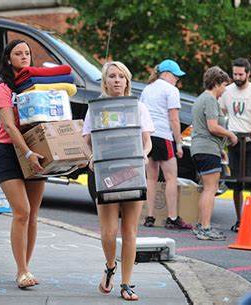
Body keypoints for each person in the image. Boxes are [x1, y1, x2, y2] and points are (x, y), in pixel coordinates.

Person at [83, 61, 154, 301]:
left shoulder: (138, 107)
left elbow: (148, 141)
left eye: (120, 76)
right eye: (112, 76)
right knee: (109, 232)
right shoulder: (96, 108)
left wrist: (144, 154)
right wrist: (90, 157)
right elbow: (86, 140)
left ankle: (126, 284)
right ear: (105, 81)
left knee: (130, 232)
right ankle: (110, 267)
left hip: (133, 170)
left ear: (127, 80)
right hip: (105, 173)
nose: (116, 80)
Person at [0, 39, 46, 288]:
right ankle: (21, 271)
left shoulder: (35, 87)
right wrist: (27, 154)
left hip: (37, 151)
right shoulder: (4, 88)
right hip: (9, 153)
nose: (24, 56)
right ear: (8, 59)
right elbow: (8, 126)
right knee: (22, 212)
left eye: (27, 53)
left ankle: (26, 268)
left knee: (33, 215)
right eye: (18, 53)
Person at [141, 59, 192, 230]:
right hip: (163, 135)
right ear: (167, 74)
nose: (177, 80)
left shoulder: (147, 89)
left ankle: (149, 216)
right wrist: (178, 143)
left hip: (148, 136)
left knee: (151, 178)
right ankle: (172, 217)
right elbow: (174, 119)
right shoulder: (171, 90)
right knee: (171, 178)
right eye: (176, 76)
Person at [219, 58, 251, 231]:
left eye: (241, 74)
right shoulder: (227, 91)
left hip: (250, 140)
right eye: (235, 74)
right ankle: (240, 220)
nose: (237, 77)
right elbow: (221, 112)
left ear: (248, 74)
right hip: (234, 140)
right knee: (236, 183)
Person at [190, 66, 238, 240]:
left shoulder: (200, 99)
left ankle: (201, 226)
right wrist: (230, 134)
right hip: (206, 148)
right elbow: (212, 127)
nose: (225, 89)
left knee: (206, 189)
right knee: (211, 188)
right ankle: (205, 228)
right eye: (224, 85)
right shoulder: (210, 100)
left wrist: (221, 150)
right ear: (216, 83)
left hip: (200, 148)